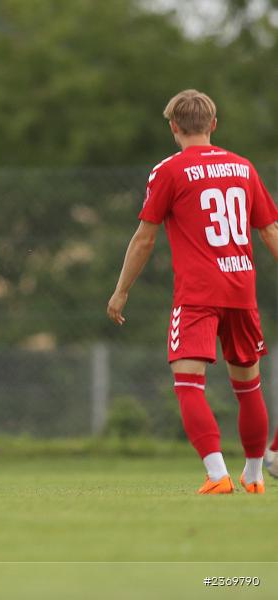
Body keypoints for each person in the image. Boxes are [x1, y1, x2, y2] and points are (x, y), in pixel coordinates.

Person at [108, 89, 278, 494]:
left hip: (198, 292)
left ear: (174, 127)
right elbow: (270, 230)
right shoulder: (243, 167)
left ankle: (217, 475)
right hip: (241, 288)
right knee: (248, 386)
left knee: (188, 383)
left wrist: (121, 291)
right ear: (213, 124)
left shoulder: (168, 171)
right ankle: (254, 476)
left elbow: (144, 239)